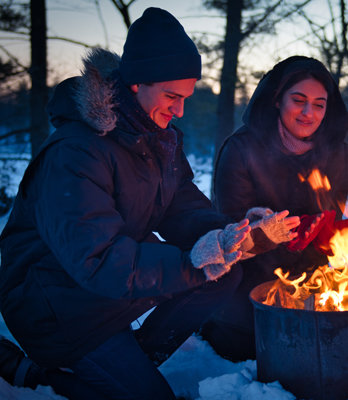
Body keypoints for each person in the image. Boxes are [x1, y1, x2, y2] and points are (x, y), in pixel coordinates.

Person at [0, 8, 299, 400]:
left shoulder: (156, 139)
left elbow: (184, 211)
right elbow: (100, 260)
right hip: (57, 307)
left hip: (103, 289)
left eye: (187, 98)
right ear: (137, 84)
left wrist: (235, 234)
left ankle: (130, 364)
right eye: (172, 96)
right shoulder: (76, 153)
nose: (180, 111)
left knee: (223, 273)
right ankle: (40, 374)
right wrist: (195, 262)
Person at [204, 56, 348, 361]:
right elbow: (231, 236)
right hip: (247, 289)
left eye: (319, 104)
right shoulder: (241, 150)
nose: (309, 113)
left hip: (310, 286)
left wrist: (337, 234)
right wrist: (275, 234)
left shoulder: (336, 154)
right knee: (255, 351)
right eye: (298, 100)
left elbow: (330, 219)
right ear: (276, 100)